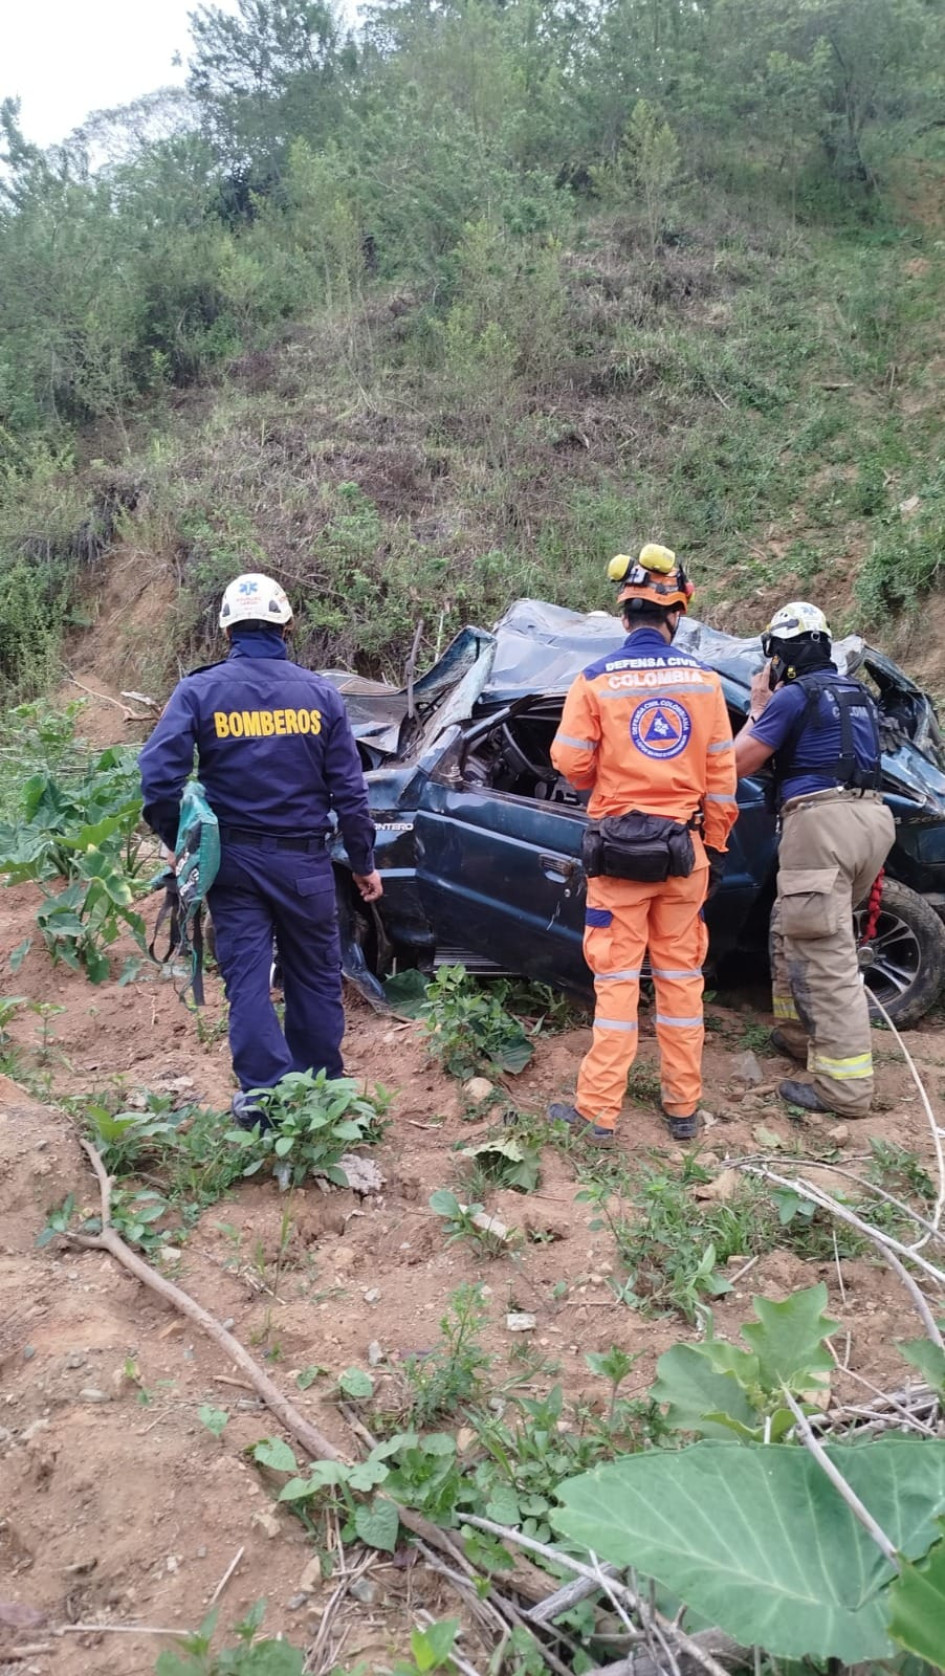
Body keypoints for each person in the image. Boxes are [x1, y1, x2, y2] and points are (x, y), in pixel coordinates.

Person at [138, 572, 382, 1123]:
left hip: (233, 865)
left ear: (227, 630)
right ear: (286, 626)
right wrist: (364, 863)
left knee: (247, 977)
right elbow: (350, 792)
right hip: (305, 863)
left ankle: (262, 1097)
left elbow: (157, 777)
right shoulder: (320, 694)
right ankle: (322, 1089)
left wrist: (178, 842)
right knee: (314, 974)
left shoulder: (199, 691)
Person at [548, 545, 738, 1145]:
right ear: (676, 614)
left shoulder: (595, 681)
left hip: (618, 856)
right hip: (684, 855)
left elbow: (569, 761)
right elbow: (722, 780)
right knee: (681, 982)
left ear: (624, 616)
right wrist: (713, 847)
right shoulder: (705, 683)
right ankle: (683, 1108)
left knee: (617, 983)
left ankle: (599, 1113)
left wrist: (605, 778)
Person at [734, 601, 894, 1117]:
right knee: (792, 925)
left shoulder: (794, 696)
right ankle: (797, 1036)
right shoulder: (856, 694)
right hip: (871, 821)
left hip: (821, 824)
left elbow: (736, 763)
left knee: (826, 955)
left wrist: (758, 707)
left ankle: (844, 1090)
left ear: (779, 655)